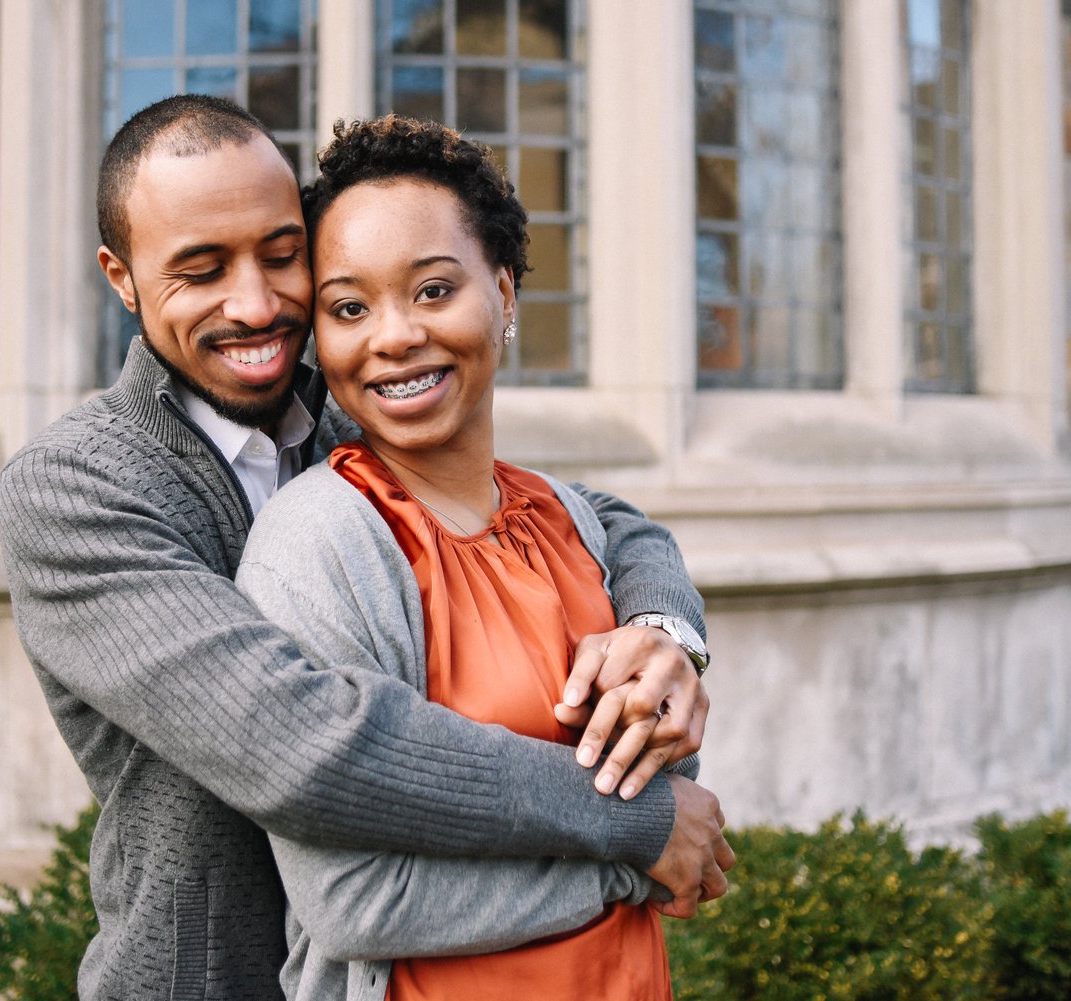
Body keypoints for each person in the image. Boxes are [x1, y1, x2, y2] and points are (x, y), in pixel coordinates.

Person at [0, 94, 730, 1001]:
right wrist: (630, 827)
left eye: (281, 253)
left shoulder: (351, 410)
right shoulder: (74, 486)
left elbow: (600, 517)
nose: (257, 304)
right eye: (200, 269)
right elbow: (300, 740)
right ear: (122, 276)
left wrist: (665, 629)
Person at [235, 115, 719, 1001]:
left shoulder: (570, 519)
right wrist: (634, 858)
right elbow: (354, 899)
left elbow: (664, 776)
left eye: (431, 290)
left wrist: (670, 642)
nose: (393, 336)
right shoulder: (321, 544)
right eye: (349, 307)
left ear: (504, 292)